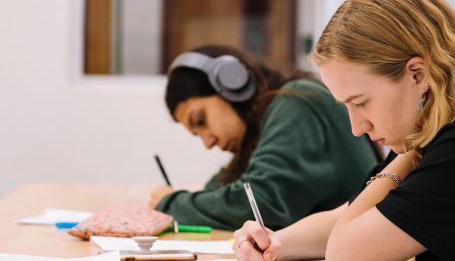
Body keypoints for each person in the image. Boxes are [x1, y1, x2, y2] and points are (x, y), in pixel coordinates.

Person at [233, 0, 455, 261]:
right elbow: (352, 215)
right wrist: (276, 243)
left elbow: (348, 251)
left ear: (418, 75)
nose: (357, 127)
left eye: (360, 102)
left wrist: (412, 153)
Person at [148, 44, 379, 230]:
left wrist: (171, 203)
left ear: (232, 83)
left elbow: (260, 203)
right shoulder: (269, 121)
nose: (208, 143)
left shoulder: (297, 103)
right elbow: (218, 191)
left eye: (201, 120)